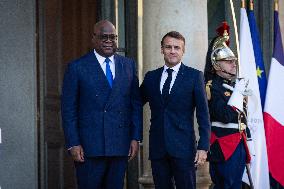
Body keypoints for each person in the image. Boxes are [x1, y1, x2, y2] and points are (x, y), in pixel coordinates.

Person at [61, 20, 142, 189]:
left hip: (119, 144)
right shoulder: (77, 67)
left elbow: (135, 104)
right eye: (104, 37)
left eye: (113, 37)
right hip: (89, 147)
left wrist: (135, 137)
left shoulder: (128, 65)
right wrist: (73, 143)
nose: (109, 41)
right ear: (93, 38)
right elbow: (69, 109)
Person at [140, 31, 211, 189]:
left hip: (184, 148)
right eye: (168, 47)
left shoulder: (194, 77)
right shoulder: (151, 77)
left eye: (177, 47)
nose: (172, 51)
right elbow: (135, 102)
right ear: (162, 49)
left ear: (183, 51)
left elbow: (203, 115)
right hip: (158, 147)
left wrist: (203, 146)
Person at [204, 22, 251, 189]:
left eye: (234, 60)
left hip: (238, 142)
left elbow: (242, 118)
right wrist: (238, 93)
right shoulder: (212, 87)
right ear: (217, 65)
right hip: (223, 144)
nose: (234, 64)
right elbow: (224, 115)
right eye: (228, 61)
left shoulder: (231, 87)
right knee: (227, 185)